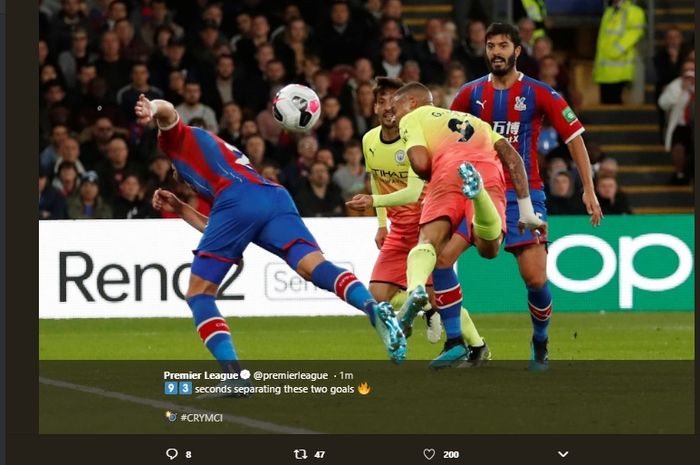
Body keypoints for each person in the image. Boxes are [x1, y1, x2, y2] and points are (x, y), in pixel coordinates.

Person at [135, 94, 407, 388]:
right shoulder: (212, 169)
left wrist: (152, 107)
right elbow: (220, 227)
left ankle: (234, 377)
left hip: (239, 200)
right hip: (273, 196)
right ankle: (372, 308)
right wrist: (181, 208)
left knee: (199, 295)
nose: (179, 179)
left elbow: (168, 111)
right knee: (313, 266)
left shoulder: (175, 143)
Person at [449, 22, 603, 368]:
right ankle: (458, 341)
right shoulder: (469, 94)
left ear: (517, 51)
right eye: (491, 46)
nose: (496, 52)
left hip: (525, 194)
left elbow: (575, 137)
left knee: (535, 278)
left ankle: (540, 341)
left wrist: (588, 189)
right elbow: (446, 139)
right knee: (442, 259)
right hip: (480, 192)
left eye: (503, 46)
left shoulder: (539, 92)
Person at [386, 81, 546, 368]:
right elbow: (512, 158)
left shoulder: (413, 118)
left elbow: (421, 163)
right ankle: (456, 342)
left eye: (395, 109)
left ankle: (416, 291)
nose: (393, 116)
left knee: (428, 243)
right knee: (473, 253)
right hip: (487, 170)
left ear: (411, 102)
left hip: (447, 172)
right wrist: (526, 210)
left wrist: (423, 167)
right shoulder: (475, 121)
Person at [348, 76, 487, 355]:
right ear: (374, 107)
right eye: (381, 101)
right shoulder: (369, 140)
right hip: (399, 229)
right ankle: (425, 307)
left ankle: (477, 346)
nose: (388, 107)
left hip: (429, 225)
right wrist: (380, 223)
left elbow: (413, 192)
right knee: (377, 295)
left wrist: (373, 200)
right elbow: (376, 178)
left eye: (392, 100)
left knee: (440, 296)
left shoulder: (416, 139)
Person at [593, 0, 645, 104]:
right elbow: (603, 40)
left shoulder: (634, 11)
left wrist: (616, 50)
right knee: (605, 104)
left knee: (615, 106)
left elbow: (635, 33)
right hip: (604, 70)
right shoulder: (609, 11)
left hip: (620, 69)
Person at [658, 59, 695, 184]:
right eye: (686, 70)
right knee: (678, 148)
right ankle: (680, 174)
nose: (689, 73)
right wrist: (682, 90)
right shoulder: (675, 86)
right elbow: (663, 104)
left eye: (692, 70)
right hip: (681, 125)